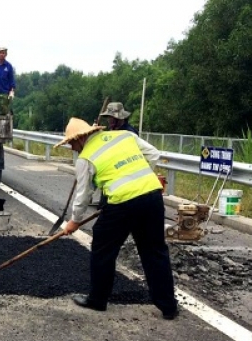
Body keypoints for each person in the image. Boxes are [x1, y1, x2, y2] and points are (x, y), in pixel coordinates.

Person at [56, 117, 179, 320]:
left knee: (103, 249)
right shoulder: (125, 136)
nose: (71, 148)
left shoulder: (86, 158)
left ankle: (97, 299)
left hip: (122, 204)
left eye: (71, 143)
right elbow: (154, 154)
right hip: (152, 197)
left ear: (80, 138)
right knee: (155, 251)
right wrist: (139, 177)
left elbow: (84, 195)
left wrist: (75, 221)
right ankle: (168, 307)